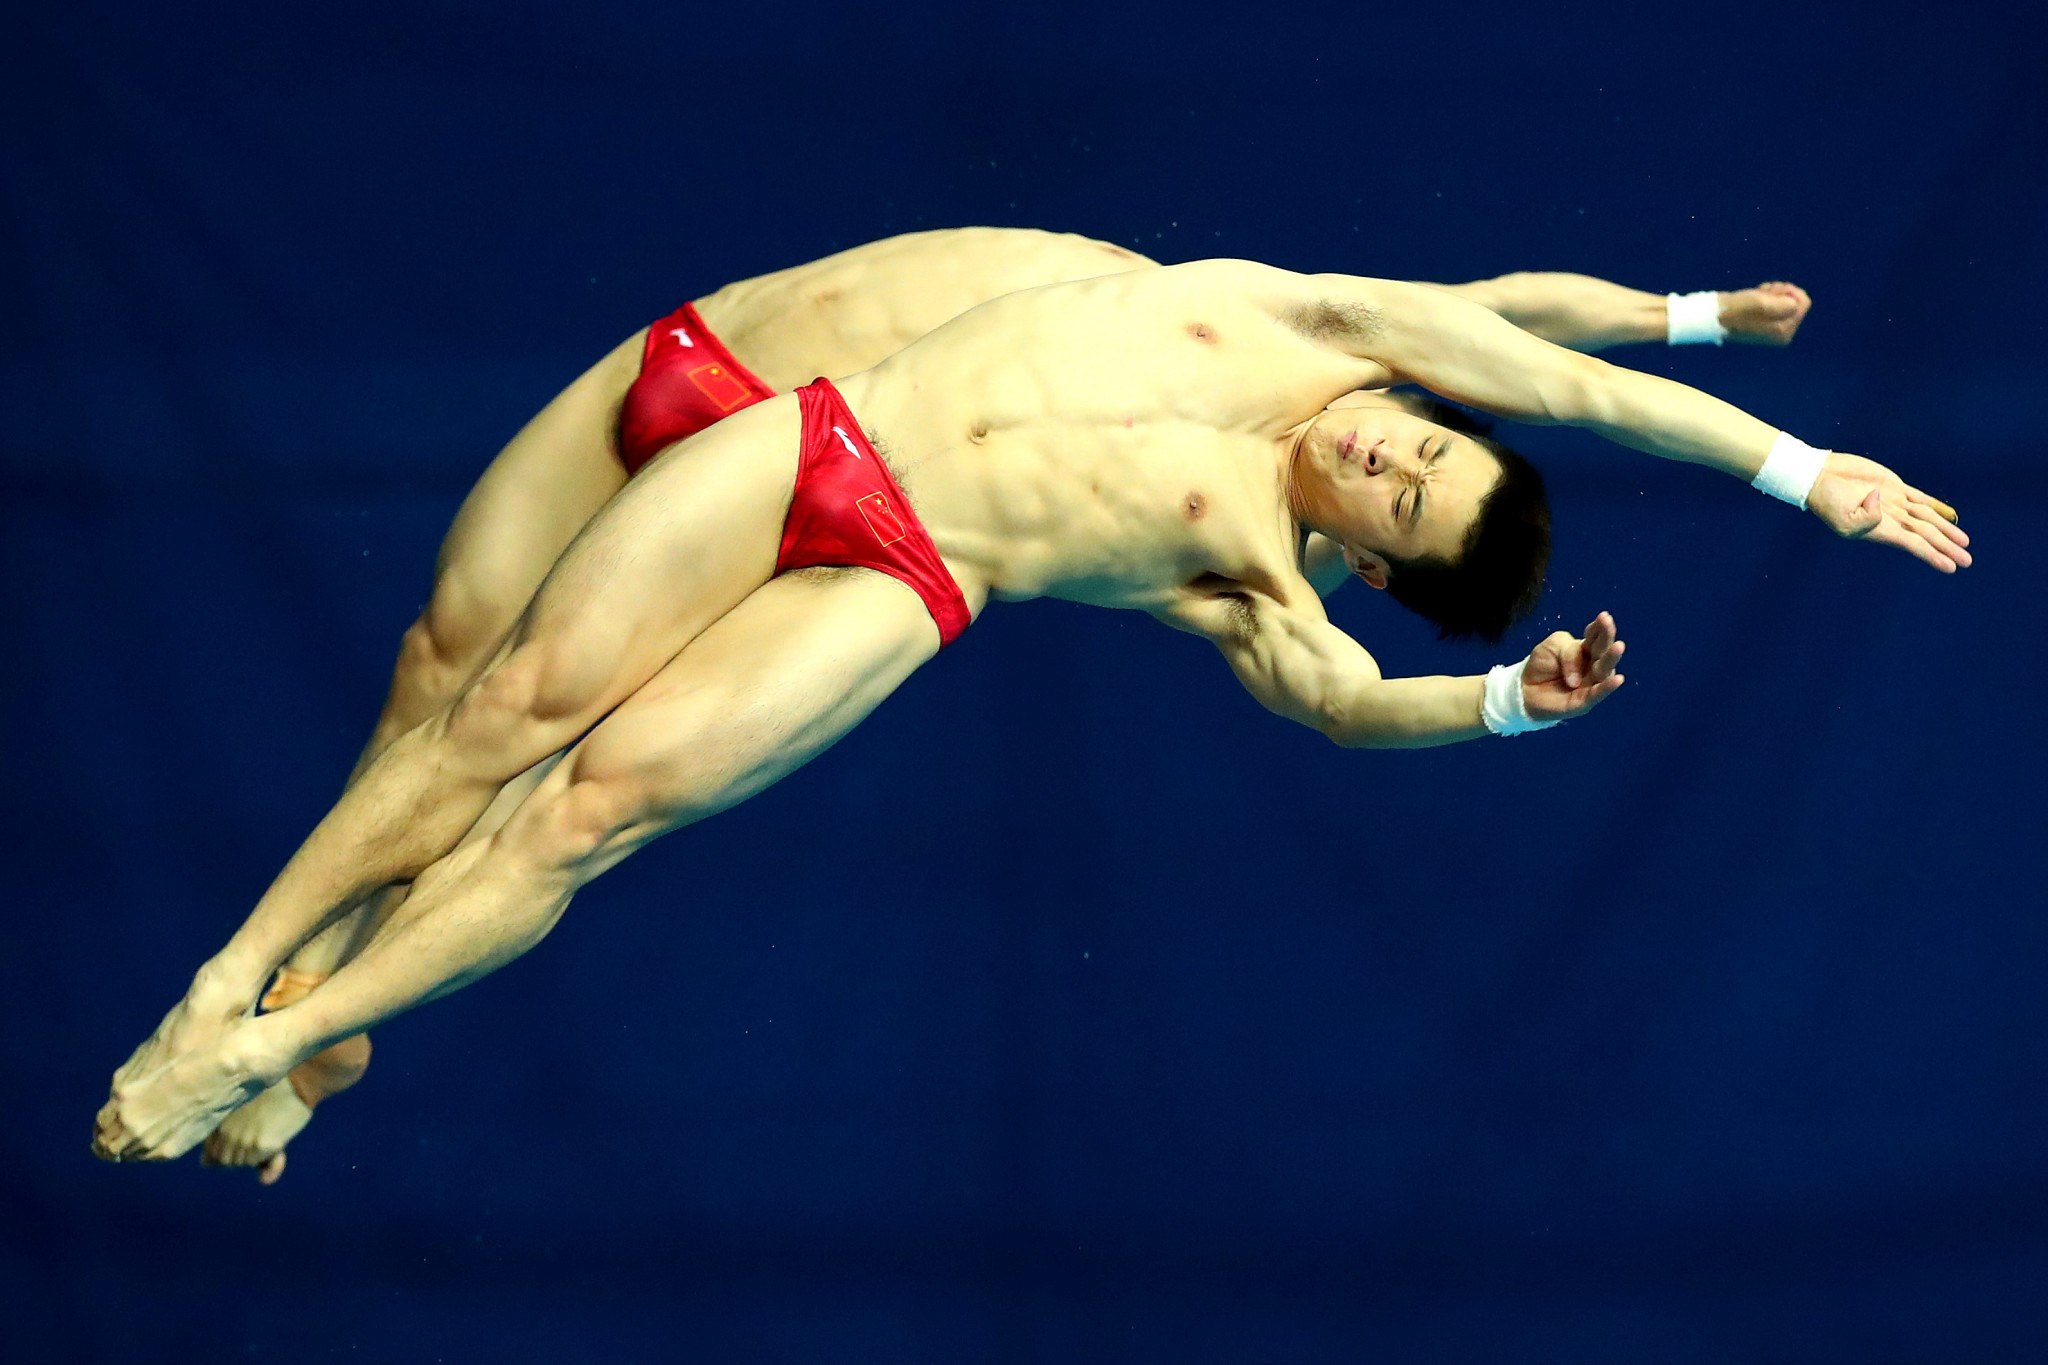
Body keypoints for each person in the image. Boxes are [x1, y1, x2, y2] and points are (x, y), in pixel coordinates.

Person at [98, 252, 1960, 1167]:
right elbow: (1552, 347)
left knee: (584, 805)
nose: (1395, 441)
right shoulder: (1310, 321)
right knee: (474, 696)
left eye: (1399, 489)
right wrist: (1727, 359)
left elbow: (1342, 703)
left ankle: (278, 1034)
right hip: (787, 406)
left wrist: (1509, 706)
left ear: (1372, 554)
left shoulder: (1258, 563)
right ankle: (261, 994)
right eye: (1428, 437)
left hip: (899, 570)